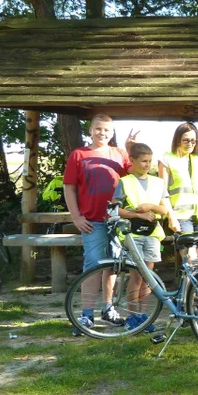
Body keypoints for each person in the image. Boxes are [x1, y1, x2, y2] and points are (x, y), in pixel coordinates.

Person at [64, 114, 135, 333]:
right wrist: (76, 216)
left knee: (113, 264)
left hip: (115, 219)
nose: (102, 133)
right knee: (93, 264)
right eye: (98, 129)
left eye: (106, 130)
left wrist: (130, 149)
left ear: (112, 133)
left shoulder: (120, 154)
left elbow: (136, 175)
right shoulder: (79, 155)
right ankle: (86, 315)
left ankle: (108, 308)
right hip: (92, 220)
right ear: (90, 130)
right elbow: (69, 187)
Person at [112, 143, 178, 332]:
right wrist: (137, 214)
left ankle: (144, 315)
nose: (147, 165)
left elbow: (165, 209)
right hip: (133, 234)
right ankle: (132, 316)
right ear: (132, 160)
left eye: (150, 161)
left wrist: (151, 206)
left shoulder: (158, 182)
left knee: (149, 277)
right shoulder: (125, 182)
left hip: (152, 234)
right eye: (143, 161)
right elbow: (115, 209)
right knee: (136, 276)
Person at [157, 122, 198, 257]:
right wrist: (171, 217)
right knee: (190, 257)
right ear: (177, 139)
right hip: (181, 216)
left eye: (193, 141)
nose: (190, 143)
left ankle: (189, 279)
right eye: (186, 140)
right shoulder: (167, 159)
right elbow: (162, 192)